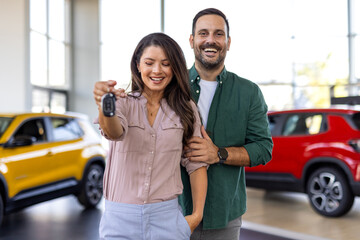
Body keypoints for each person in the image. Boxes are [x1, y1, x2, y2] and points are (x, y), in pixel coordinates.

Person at [93, 32, 208, 240]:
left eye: (166, 63)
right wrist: (105, 106)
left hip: (167, 220)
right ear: (138, 65)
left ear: (175, 67)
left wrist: (196, 216)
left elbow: (196, 163)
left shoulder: (186, 109)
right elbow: (113, 132)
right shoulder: (122, 102)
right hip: (119, 221)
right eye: (149, 62)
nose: (157, 70)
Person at [179, 8, 273, 240]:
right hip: (172, 210)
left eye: (218, 34)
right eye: (203, 33)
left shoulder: (248, 92)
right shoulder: (172, 86)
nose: (210, 40)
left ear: (228, 42)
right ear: (192, 40)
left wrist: (218, 154)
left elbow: (263, 149)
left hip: (224, 216)